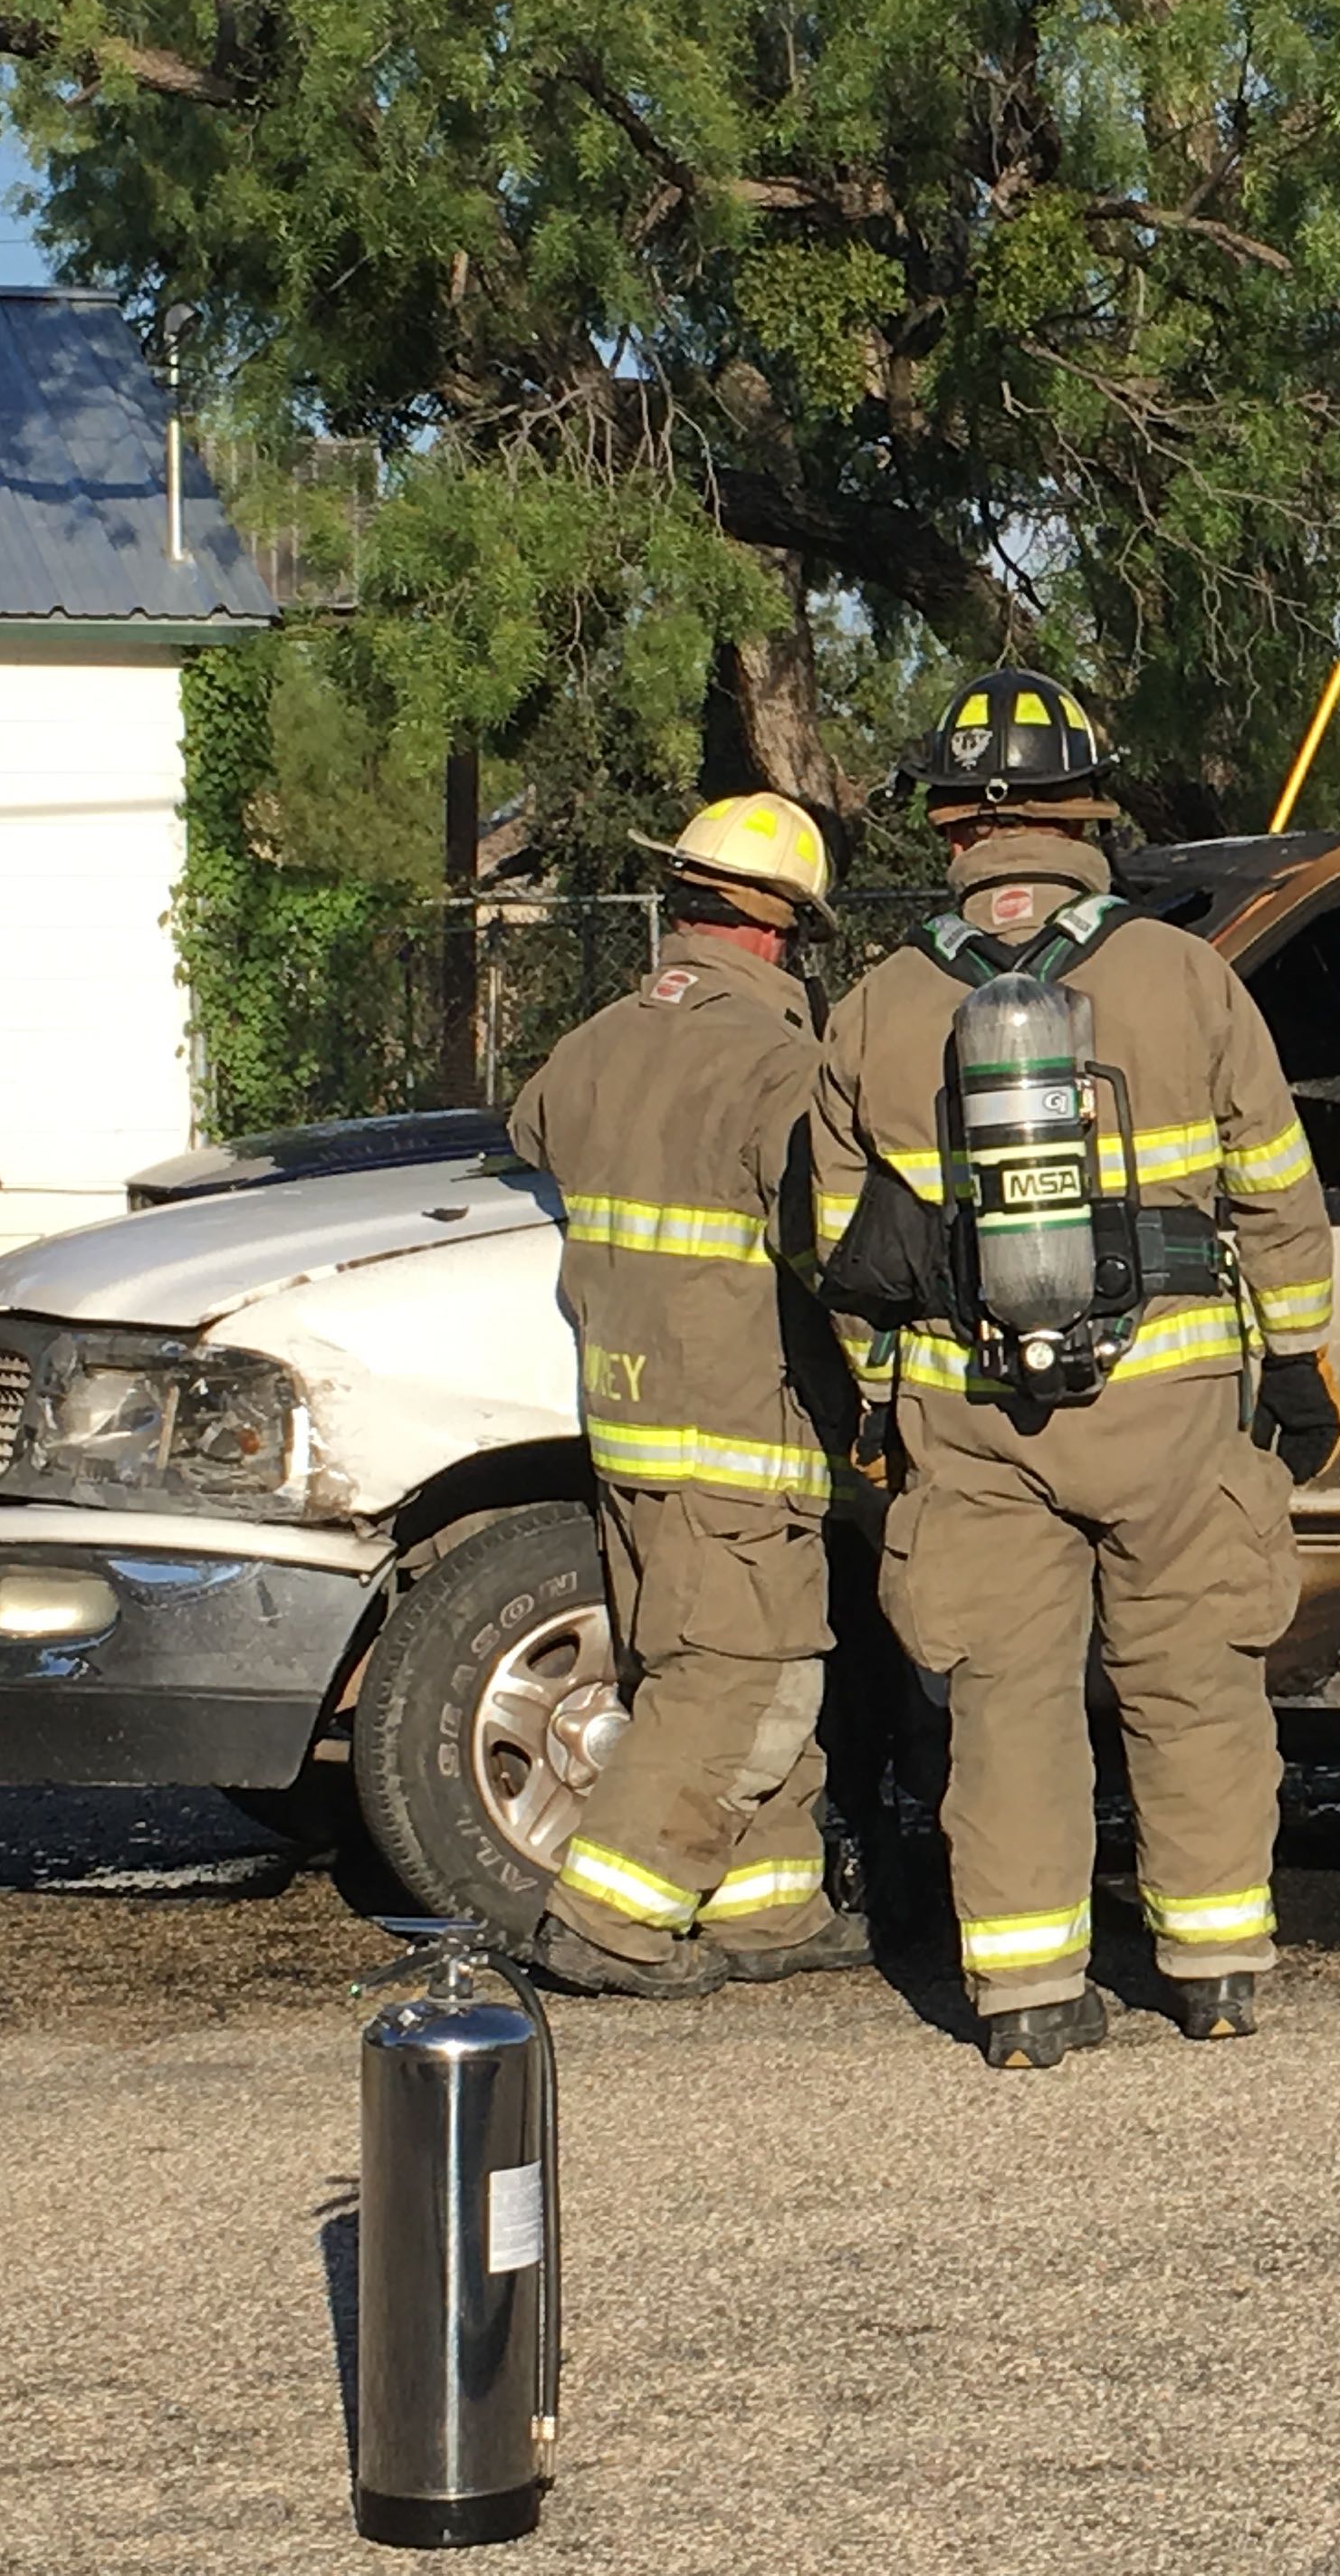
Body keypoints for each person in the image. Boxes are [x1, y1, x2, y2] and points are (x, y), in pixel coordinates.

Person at [801, 667, 1339, 2070]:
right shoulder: (1184, 974)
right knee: (1194, 1681)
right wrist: (1295, 1358)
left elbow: (845, 1251)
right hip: (1167, 1402)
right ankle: (1214, 1965)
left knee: (1007, 1700)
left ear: (948, 822)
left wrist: (876, 1392)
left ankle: (1029, 1993)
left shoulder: (874, 1008)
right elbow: (1277, 1185)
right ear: (1087, 809)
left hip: (972, 1410)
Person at [508, 791, 871, 1999]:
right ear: (780, 934)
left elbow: (532, 1127)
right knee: (745, 1677)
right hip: (740, 1425)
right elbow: (838, 1245)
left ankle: (773, 1912)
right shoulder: (776, 1068)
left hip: (627, 1421)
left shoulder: (598, 1043)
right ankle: (604, 1919)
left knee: (702, 1664)